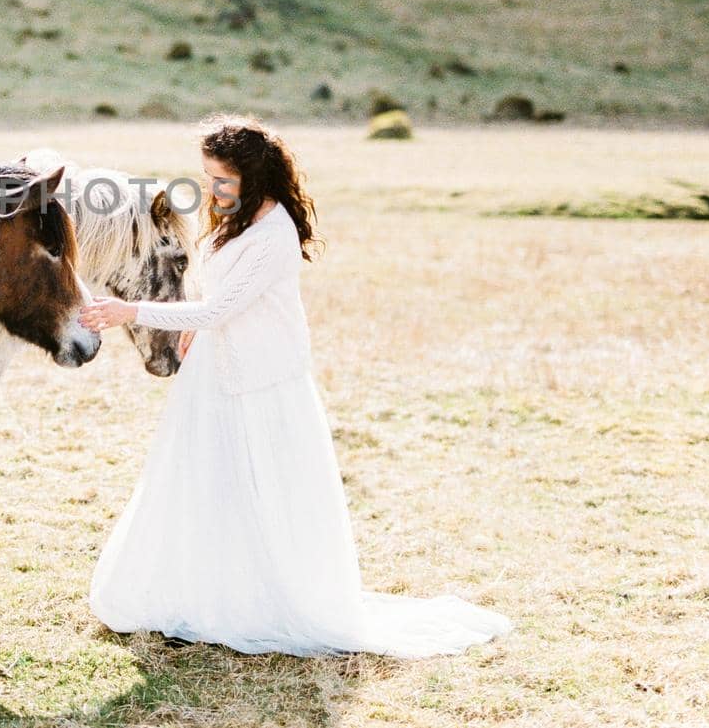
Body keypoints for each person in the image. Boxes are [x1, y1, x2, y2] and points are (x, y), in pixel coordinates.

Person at [78, 114, 511, 657]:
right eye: (208, 176)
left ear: (252, 177)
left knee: (259, 482)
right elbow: (213, 292)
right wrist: (193, 332)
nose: (211, 188)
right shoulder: (233, 216)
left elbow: (223, 307)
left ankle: (259, 596)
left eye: (220, 178)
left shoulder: (274, 233)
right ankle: (201, 585)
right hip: (215, 369)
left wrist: (130, 311)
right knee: (205, 477)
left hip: (259, 377)